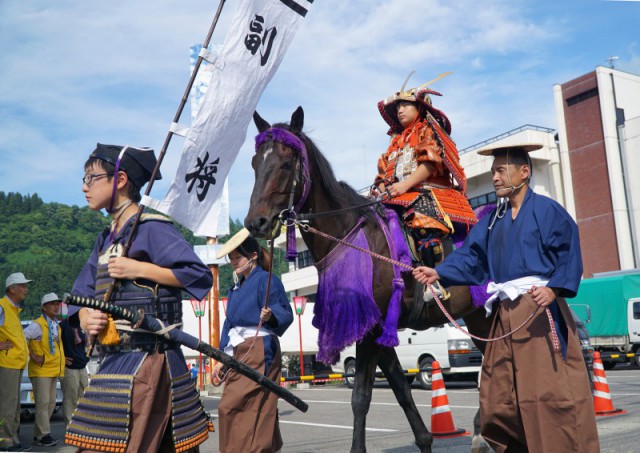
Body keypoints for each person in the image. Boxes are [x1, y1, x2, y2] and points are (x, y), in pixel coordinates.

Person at [413, 144, 599, 452]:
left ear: (524, 172)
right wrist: (439, 272)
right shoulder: (492, 219)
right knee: (497, 399)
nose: (495, 178)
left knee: (548, 396)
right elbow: (472, 258)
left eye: (501, 171)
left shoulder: (547, 210)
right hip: (504, 313)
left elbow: (568, 251)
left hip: (539, 310)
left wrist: (553, 289)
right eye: (493, 172)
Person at [65, 143, 213, 452]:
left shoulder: (152, 229)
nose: (84, 187)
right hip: (113, 359)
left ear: (119, 180)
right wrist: (83, 316)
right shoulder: (105, 238)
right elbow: (81, 293)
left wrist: (141, 267)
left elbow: (200, 275)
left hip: (151, 363)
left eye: (90, 178)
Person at [373, 74, 476, 267]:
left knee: (423, 222)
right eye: (397, 107)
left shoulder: (428, 130)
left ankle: (435, 281)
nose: (399, 110)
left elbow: (430, 163)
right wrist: (380, 189)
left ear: (419, 107)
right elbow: (382, 172)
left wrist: (404, 186)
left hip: (427, 193)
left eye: (405, 105)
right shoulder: (395, 141)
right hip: (395, 196)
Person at [213, 228, 294, 453]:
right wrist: (222, 358)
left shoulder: (267, 280)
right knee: (234, 406)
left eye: (237, 257)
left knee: (251, 405)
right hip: (239, 350)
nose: (233, 263)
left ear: (253, 256)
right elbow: (229, 325)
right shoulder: (235, 289)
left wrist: (271, 316)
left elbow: (285, 312)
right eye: (231, 259)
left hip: (261, 348)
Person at [24, 293, 65, 447]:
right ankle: (43, 435)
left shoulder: (55, 324)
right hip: (41, 370)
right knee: (43, 403)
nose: (56, 306)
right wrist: (33, 355)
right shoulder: (37, 325)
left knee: (51, 404)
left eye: (57, 303)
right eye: (52, 303)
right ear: (44, 307)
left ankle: (38, 434)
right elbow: (22, 337)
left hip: (53, 369)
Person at [0, 272, 33, 452]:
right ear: (12, 289)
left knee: (14, 404)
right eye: (23, 286)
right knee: (7, 404)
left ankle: (13, 439)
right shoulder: (2, 307)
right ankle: (4, 442)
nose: (26, 290)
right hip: (7, 363)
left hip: (16, 363)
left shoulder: (12, 309)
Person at [58, 315, 89, 425]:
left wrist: (86, 357)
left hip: (82, 366)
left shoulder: (82, 325)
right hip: (69, 368)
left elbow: (87, 343)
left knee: (84, 397)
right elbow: (54, 345)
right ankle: (70, 427)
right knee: (70, 398)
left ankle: (83, 426)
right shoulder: (61, 326)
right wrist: (61, 358)